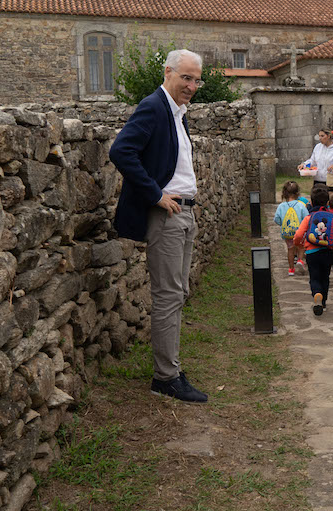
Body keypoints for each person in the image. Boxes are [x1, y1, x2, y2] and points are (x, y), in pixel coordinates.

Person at [109, 49, 208, 404]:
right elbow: (121, 151)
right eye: (186, 77)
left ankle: (172, 368)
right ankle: (165, 378)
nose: (192, 86)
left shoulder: (176, 113)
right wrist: (155, 194)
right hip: (167, 215)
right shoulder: (154, 106)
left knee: (177, 294)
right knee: (168, 297)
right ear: (168, 72)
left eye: (197, 80)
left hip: (184, 214)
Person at [293, 188, 333, 316]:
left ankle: (317, 294)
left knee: (314, 276)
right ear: (327, 203)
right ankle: (323, 302)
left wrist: (299, 245)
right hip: (328, 252)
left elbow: (298, 235)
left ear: (311, 203)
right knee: (325, 276)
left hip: (312, 252)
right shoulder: (332, 217)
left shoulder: (309, 217)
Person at [274, 181, 309, 277]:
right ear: (298, 193)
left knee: (290, 249)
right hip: (299, 233)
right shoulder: (301, 205)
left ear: (284, 193)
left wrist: (283, 224)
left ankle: (291, 269)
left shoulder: (281, 206)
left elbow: (276, 219)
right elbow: (306, 218)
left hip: (287, 233)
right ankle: (300, 261)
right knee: (301, 247)